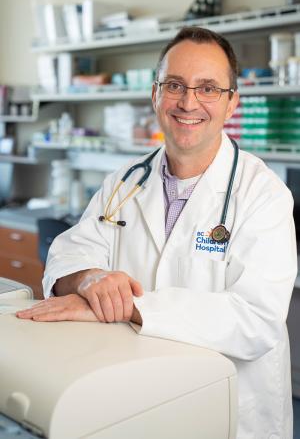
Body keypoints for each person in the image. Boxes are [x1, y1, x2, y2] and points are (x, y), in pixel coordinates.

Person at [17, 27, 297, 439]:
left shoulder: (264, 194)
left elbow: (255, 321)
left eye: (208, 88)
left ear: (232, 102)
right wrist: (89, 280)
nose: (188, 102)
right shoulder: (124, 181)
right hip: (137, 400)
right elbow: (69, 251)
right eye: (175, 85)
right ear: (155, 94)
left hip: (230, 414)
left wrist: (121, 305)